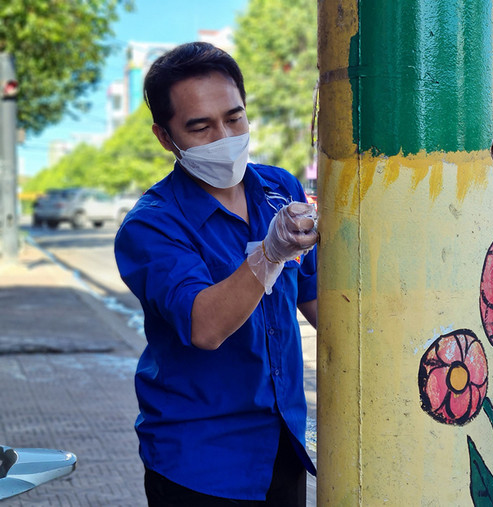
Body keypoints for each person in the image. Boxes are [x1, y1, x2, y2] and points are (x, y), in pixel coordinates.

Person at [114, 42, 318, 506]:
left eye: (234, 118)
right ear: (166, 137)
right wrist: (268, 255)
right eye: (200, 126)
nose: (224, 137)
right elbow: (204, 326)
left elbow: (316, 297)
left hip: (281, 442)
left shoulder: (278, 189)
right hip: (199, 460)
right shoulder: (150, 225)